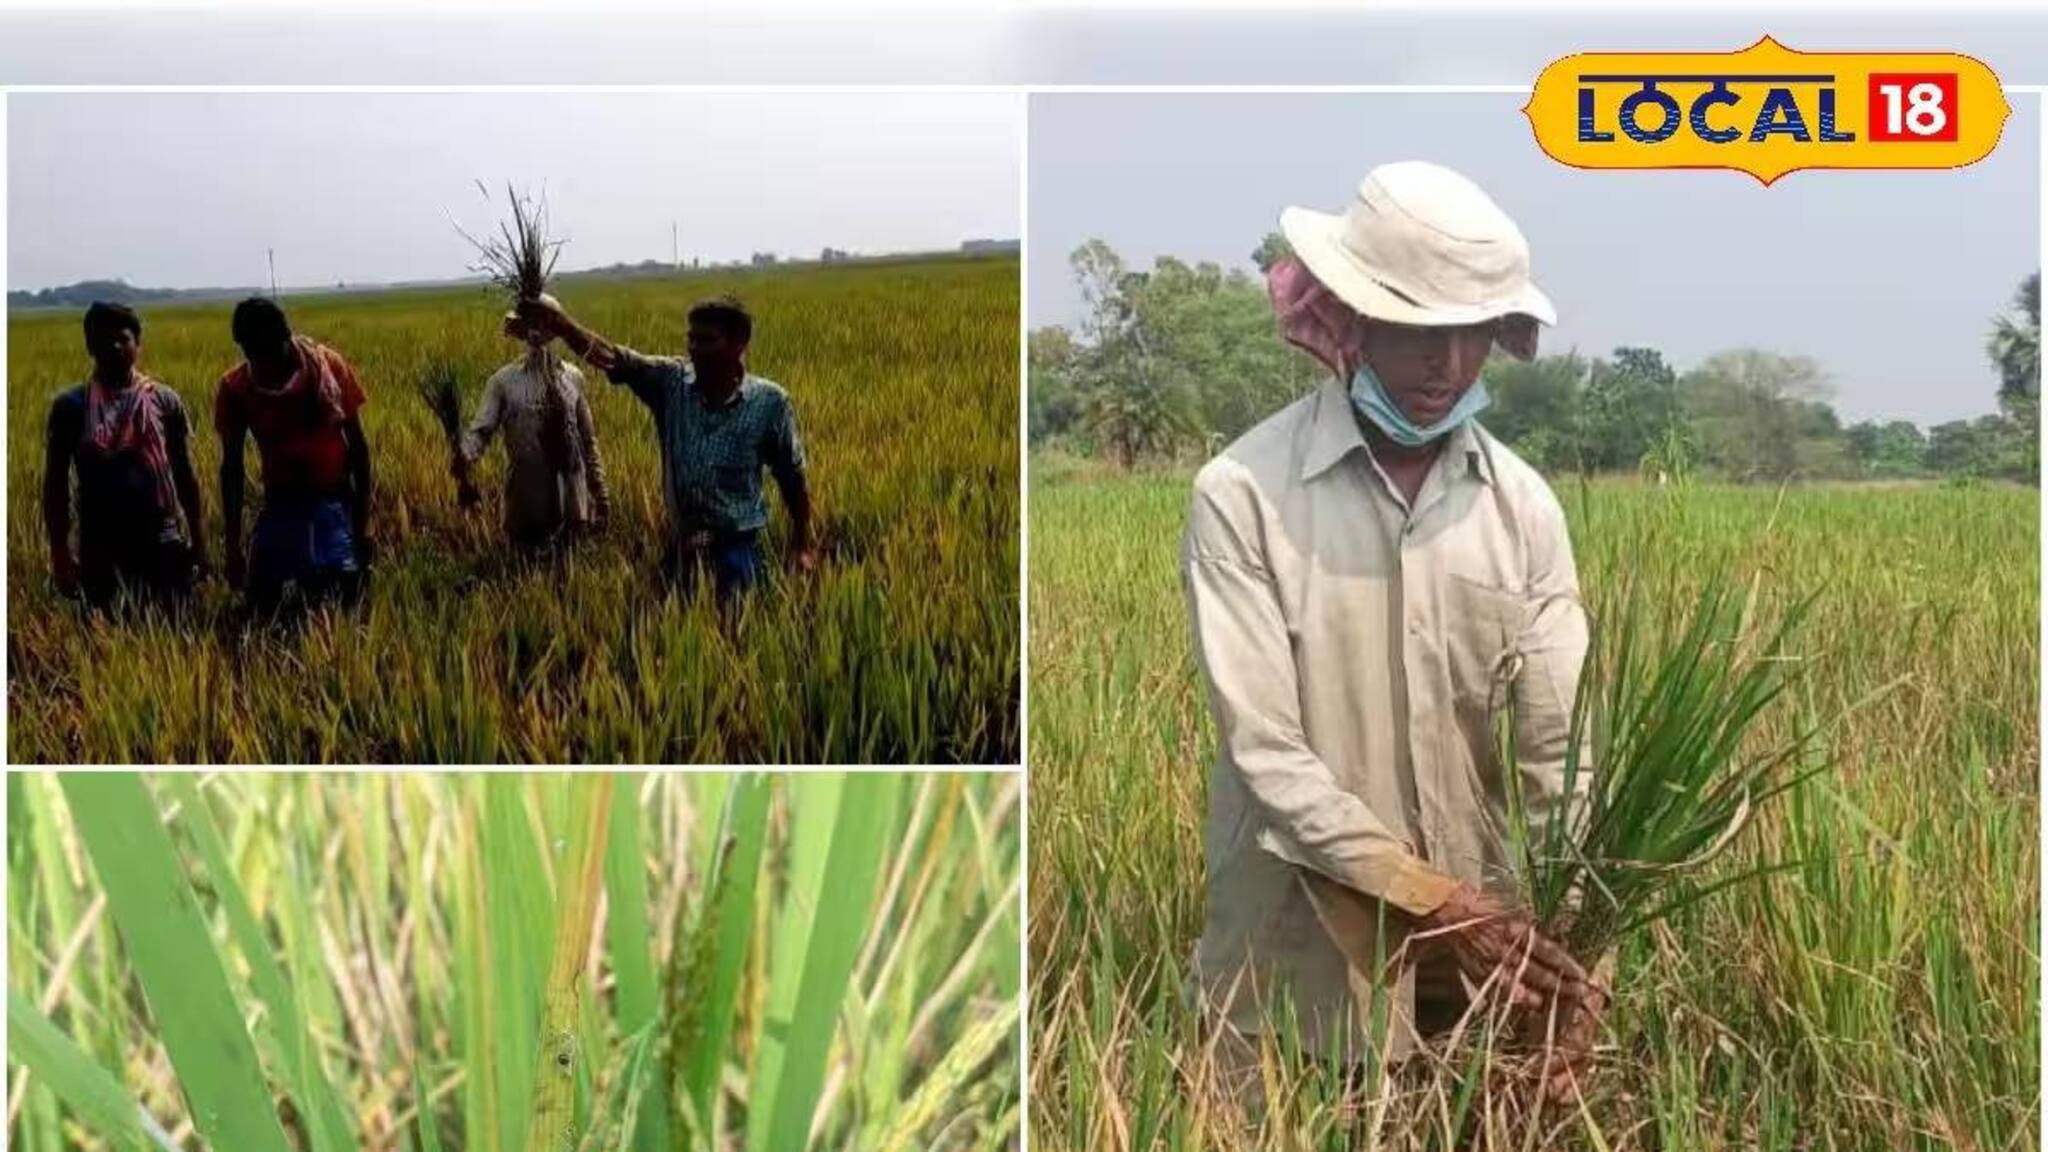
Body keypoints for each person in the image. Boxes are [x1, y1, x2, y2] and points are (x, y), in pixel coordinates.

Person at [1181, 161, 1607, 1107]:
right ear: (1351, 317)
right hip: (1295, 974)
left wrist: (1558, 950)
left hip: (1482, 978)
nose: (1446, 368)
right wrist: (1434, 900)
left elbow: (1560, 755)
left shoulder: (1524, 510)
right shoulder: (1243, 497)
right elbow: (1267, 753)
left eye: (1472, 335)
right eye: (1420, 331)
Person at [516, 293, 816, 602]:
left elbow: (793, 478)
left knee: (740, 634)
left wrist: (803, 545)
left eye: (707, 340)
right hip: (682, 550)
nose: (695, 349)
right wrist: (563, 326)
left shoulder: (769, 403)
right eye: (692, 339)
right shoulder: (671, 382)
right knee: (667, 636)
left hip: (737, 551)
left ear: (740, 343)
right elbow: (612, 358)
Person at [42, 302, 207, 610]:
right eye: (104, 340)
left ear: (138, 344)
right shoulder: (71, 408)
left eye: (123, 338)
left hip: (163, 538)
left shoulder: (164, 400)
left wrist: (198, 540)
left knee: (174, 630)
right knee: (105, 636)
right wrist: (60, 554)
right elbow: (55, 486)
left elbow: (185, 474)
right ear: (90, 347)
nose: (115, 346)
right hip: (101, 544)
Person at [216, 297, 373, 611]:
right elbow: (231, 468)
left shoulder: (328, 368)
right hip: (282, 501)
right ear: (244, 350)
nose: (267, 366)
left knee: (341, 590)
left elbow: (357, 446)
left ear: (286, 338)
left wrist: (363, 524)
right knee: (262, 599)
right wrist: (233, 546)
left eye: (273, 353)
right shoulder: (236, 388)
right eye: (255, 355)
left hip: (334, 497)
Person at [453, 310, 612, 549]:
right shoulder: (503, 382)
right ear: (522, 331)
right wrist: (465, 454)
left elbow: (588, 441)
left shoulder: (573, 378)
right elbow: (481, 430)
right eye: (530, 324)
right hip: (527, 503)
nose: (536, 333)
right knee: (526, 570)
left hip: (572, 505)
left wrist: (599, 491)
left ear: (556, 330)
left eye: (544, 324)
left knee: (569, 573)